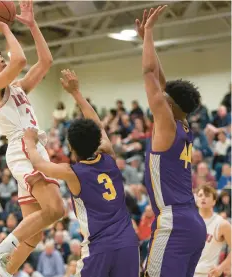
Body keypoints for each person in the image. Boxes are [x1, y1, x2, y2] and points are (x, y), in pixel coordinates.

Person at [0, 1, 65, 276]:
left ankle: (3, 269)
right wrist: (3, 27)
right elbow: (20, 60)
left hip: (32, 148)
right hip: (24, 148)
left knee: (33, 236)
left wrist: (32, 25)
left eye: (1, 56)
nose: (1, 58)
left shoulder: (17, 87)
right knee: (55, 208)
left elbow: (45, 61)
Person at [23, 69, 139, 277]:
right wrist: (76, 93)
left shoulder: (73, 172)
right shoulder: (108, 155)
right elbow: (96, 123)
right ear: (96, 141)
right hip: (128, 243)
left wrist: (29, 141)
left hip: (99, 247)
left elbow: (39, 163)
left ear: (71, 147)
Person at [136, 6, 207, 277]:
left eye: (165, 98)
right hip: (192, 223)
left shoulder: (166, 124)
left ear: (170, 105)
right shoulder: (183, 123)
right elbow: (164, 85)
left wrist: (150, 34)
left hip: (174, 221)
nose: (160, 98)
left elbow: (149, 75)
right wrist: (147, 42)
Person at [194, 185, 231, 277]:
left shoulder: (221, 224)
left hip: (207, 274)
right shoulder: (188, 222)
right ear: (196, 200)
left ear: (214, 201)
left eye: (207, 195)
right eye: (200, 195)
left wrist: (221, 267)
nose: (203, 197)